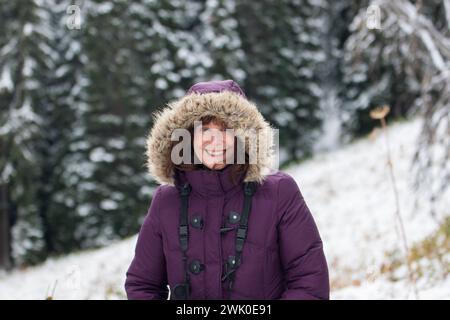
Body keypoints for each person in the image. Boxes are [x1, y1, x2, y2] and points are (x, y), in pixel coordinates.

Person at [125, 79, 329, 300]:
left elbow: (309, 284)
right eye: (204, 129)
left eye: (225, 129)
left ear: (243, 137)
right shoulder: (166, 201)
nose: (215, 141)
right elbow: (143, 285)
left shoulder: (279, 192)